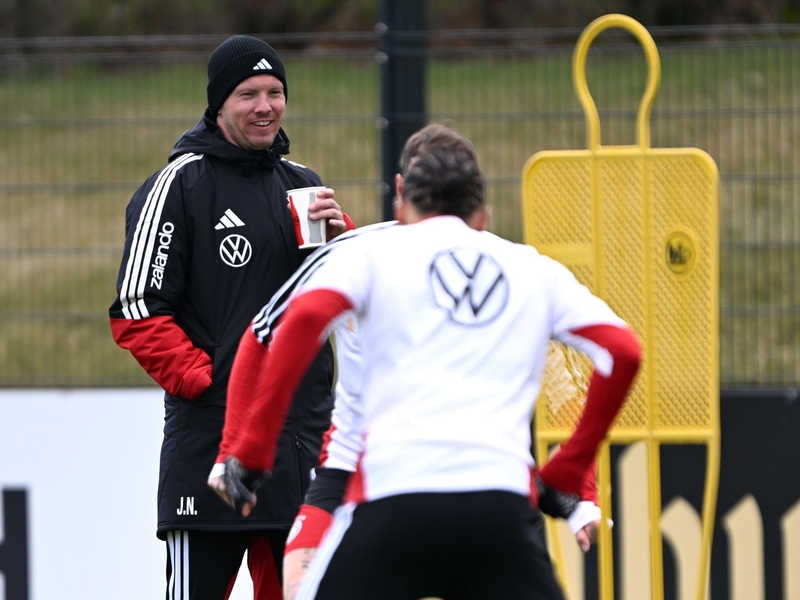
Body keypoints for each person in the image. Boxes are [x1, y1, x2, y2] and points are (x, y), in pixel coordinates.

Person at [216, 148, 642, 599]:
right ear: (483, 216)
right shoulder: (532, 268)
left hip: (394, 498)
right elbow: (623, 351)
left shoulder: (369, 255)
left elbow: (301, 321)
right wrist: (570, 470)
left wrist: (253, 449)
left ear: (401, 204)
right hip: (498, 507)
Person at [109, 35, 354, 600]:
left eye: (275, 93)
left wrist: (342, 242)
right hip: (211, 452)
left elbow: (339, 305)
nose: (265, 106)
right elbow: (137, 311)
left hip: (299, 454)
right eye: (248, 94)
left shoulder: (302, 184)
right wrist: (214, 383)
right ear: (218, 104)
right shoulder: (180, 184)